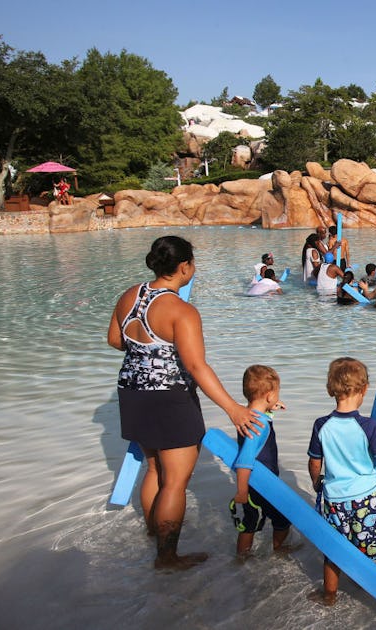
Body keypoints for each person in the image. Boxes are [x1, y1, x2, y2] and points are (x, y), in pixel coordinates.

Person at [107, 235, 262, 569]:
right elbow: (195, 366)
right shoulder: (182, 311)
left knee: (154, 468)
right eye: (193, 263)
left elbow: (115, 339)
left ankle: (155, 533)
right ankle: (167, 558)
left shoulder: (131, 294)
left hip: (132, 393)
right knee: (175, 483)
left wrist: (146, 353)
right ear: (184, 267)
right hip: (170, 400)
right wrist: (233, 408)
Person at [307, 357, 376, 606]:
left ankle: (329, 596)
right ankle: (363, 587)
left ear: (331, 390)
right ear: (364, 389)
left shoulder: (321, 425)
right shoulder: (368, 426)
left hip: (335, 500)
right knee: (366, 545)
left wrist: (317, 483)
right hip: (365, 499)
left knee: (333, 549)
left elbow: (315, 462)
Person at [230, 365, 290, 557]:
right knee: (282, 519)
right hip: (261, 485)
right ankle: (278, 550)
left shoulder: (248, 417)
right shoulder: (259, 425)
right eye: (276, 393)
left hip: (253, 483)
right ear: (270, 395)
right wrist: (241, 491)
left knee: (250, 522)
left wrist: (270, 409)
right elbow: (245, 460)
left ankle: (242, 557)